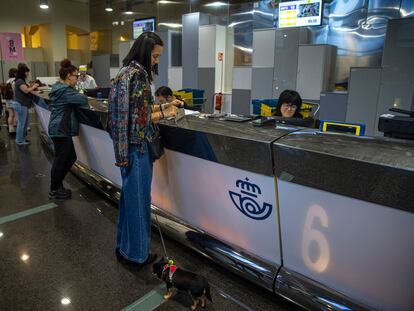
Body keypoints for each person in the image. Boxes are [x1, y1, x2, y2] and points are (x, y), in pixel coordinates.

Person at [108, 32, 178, 268]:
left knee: (129, 200)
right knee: (139, 202)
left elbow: (135, 108)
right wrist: (165, 112)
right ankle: (137, 255)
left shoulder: (125, 71)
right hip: (138, 147)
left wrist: (162, 105)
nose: (157, 60)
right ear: (145, 52)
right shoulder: (138, 75)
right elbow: (141, 118)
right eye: (155, 56)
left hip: (126, 147)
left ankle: (124, 247)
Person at [48, 59, 89, 200]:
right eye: (76, 76)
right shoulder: (66, 91)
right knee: (61, 159)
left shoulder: (59, 88)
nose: (77, 79)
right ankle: (54, 190)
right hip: (60, 128)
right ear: (68, 76)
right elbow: (83, 99)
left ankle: (57, 185)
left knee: (70, 157)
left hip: (59, 128)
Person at [14, 63, 39, 145]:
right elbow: (26, 90)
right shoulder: (20, 81)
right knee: (22, 123)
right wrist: (34, 86)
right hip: (21, 104)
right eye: (27, 72)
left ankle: (22, 139)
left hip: (23, 104)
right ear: (23, 72)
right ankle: (19, 140)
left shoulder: (21, 81)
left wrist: (31, 87)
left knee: (25, 122)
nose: (28, 74)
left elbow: (27, 89)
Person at [1, 68, 18, 134]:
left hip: (8, 100)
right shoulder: (15, 81)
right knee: (16, 115)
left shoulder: (7, 81)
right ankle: (16, 128)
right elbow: (15, 91)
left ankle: (11, 128)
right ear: (15, 73)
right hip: (15, 100)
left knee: (10, 115)